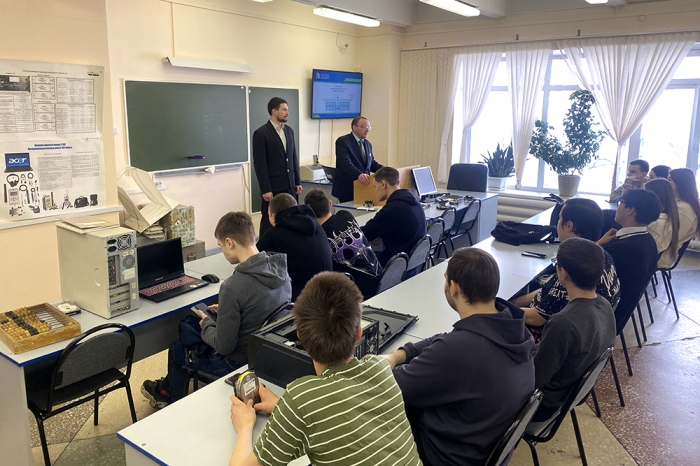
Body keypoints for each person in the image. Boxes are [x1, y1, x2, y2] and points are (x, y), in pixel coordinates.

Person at [228, 272, 422, 466]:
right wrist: (283, 409)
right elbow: (339, 418)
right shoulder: (380, 369)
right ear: (358, 334)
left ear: (300, 336)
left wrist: (245, 425)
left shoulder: (301, 399)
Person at [382, 248, 535, 466]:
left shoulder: (461, 350)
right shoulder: (511, 328)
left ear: (454, 287)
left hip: (444, 456)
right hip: (480, 444)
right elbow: (444, 338)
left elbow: (392, 385)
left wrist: (388, 363)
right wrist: (399, 355)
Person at [141, 212, 291, 408]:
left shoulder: (232, 286)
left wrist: (207, 323)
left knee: (177, 349)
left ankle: (171, 401)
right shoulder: (280, 270)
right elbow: (262, 305)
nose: (222, 251)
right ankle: (166, 389)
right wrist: (227, 310)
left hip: (238, 363)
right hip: (268, 355)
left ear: (229, 242)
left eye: (220, 246)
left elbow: (223, 346)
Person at [532, 238, 616, 423]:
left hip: (542, 406)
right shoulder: (605, 305)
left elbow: (535, 378)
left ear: (563, 273)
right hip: (568, 395)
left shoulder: (563, 323)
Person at [512, 199, 620, 343]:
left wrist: (499, 309)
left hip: (546, 339)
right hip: (593, 332)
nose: (557, 223)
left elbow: (535, 318)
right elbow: (547, 290)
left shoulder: (571, 270)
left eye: (559, 219)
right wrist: (511, 303)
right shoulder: (603, 256)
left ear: (569, 225)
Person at [598, 189, 661, 329]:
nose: (618, 206)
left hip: (602, 318)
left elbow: (580, 269)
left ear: (631, 210)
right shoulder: (649, 241)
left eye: (621, 202)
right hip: (619, 314)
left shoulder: (622, 249)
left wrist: (597, 245)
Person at [303, 188, 382, 299]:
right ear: (330, 203)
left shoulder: (318, 237)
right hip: (380, 278)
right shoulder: (345, 215)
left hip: (357, 292)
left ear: (309, 213)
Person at [256, 193, 332, 300]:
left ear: (273, 216)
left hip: (301, 300)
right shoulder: (317, 226)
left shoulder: (273, 235)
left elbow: (253, 261)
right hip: (329, 293)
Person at [252, 97, 302, 237]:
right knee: (269, 220)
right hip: (273, 187)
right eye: (284, 110)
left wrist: (297, 181)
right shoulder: (261, 133)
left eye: (287, 110)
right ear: (274, 111)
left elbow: (293, 157)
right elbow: (260, 164)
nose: (288, 113)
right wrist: (265, 189)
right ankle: (264, 246)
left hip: (290, 185)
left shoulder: (289, 131)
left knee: (291, 217)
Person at [361, 166, 427, 267]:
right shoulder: (412, 199)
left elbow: (365, 234)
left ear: (383, 184)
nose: (375, 191)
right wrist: (379, 232)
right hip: (413, 262)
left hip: (396, 265)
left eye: (375, 186)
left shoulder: (392, 209)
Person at [332, 116, 383, 203]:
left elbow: (371, 163)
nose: (367, 130)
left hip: (364, 187)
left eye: (369, 127)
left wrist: (386, 171)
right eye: (364, 127)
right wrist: (358, 175)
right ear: (354, 127)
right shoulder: (343, 141)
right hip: (348, 188)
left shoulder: (368, 144)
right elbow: (345, 162)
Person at [645, 179, 681, 268]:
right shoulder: (670, 216)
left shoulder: (658, 223)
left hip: (647, 262)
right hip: (654, 258)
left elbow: (647, 252)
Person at [668, 167, 700, 250]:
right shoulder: (676, 204)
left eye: (670, 180)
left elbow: (669, 237)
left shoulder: (684, 209)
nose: (666, 183)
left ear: (680, 184)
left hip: (663, 254)